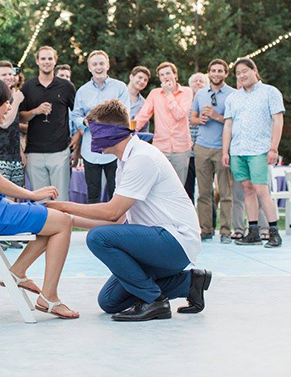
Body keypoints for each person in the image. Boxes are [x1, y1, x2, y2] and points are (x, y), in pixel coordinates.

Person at [46, 99, 210, 322]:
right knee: (110, 301)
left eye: (95, 131)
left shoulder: (142, 158)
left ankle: (155, 301)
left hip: (175, 241)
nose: (92, 138)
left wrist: (63, 205)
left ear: (111, 131)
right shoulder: (125, 161)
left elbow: (112, 213)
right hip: (154, 242)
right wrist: (68, 219)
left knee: (97, 238)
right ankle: (190, 283)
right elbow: (118, 220)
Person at [0, 77, 78, 319]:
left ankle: (18, 272)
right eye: (5, 103)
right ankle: (48, 297)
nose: (9, 108)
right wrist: (33, 194)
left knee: (54, 221)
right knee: (63, 222)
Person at [223, 58, 284, 248]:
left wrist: (274, 147)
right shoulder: (233, 98)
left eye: (244, 71)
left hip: (259, 149)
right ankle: (253, 232)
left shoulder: (270, 92)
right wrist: (226, 151)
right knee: (247, 190)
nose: (241, 76)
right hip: (238, 150)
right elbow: (228, 125)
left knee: (261, 190)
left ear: (254, 70)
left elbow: (278, 120)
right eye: (238, 73)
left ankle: (274, 232)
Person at [71, 50, 130, 204]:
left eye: (101, 63)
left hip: (114, 150)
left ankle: (117, 220)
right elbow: (75, 115)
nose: (98, 67)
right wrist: (85, 122)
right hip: (90, 150)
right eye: (95, 64)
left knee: (116, 192)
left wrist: (104, 121)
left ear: (107, 65)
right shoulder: (82, 91)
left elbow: (125, 115)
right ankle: (94, 220)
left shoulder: (120, 87)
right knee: (92, 195)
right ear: (89, 67)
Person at [19, 46, 76, 201]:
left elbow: (77, 113)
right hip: (34, 152)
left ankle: (61, 219)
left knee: (61, 200)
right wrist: (35, 111)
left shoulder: (66, 87)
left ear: (55, 61)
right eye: (43, 58)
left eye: (50, 58)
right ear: (37, 61)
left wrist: (77, 137)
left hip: (60, 151)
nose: (46, 62)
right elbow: (21, 117)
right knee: (40, 202)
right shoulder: (28, 87)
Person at [190, 60, 236, 242]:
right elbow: (192, 118)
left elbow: (235, 122)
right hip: (201, 147)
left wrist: (216, 116)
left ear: (226, 73)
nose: (216, 74)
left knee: (225, 193)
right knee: (203, 193)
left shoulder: (233, 94)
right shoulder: (201, 94)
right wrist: (199, 119)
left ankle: (225, 231)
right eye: (213, 71)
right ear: (208, 73)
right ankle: (206, 230)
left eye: (220, 71)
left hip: (223, 148)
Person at [0, 61, 26, 250]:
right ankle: (0, 234)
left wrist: (20, 150)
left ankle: (11, 233)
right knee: (2, 197)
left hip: (13, 154)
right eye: (4, 74)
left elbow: (14, 128)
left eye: (10, 74)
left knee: (14, 195)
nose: (9, 77)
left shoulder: (11, 96)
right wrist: (16, 101)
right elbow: (4, 123)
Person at [134, 62, 193, 184]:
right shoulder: (154, 93)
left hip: (181, 149)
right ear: (159, 78)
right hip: (160, 148)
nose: (165, 77)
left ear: (175, 75)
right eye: (162, 75)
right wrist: (129, 131)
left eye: (168, 73)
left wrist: (168, 94)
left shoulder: (187, 92)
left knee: (178, 186)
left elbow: (179, 115)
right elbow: (143, 116)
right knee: (158, 184)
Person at [184, 72, 209, 203]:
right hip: (187, 152)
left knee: (206, 189)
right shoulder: (184, 102)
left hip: (204, 150)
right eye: (195, 81)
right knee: (187, 189)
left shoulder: (209, 102)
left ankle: (209, 216)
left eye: (201, 81)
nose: (198, 83)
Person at [127, 66, 150, 133]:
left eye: (145, 80)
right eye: (140, 77)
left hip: (131, 137)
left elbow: (144, 129)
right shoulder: (117, 94)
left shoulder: (144, 104)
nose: (142, 81)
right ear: (131, 77)